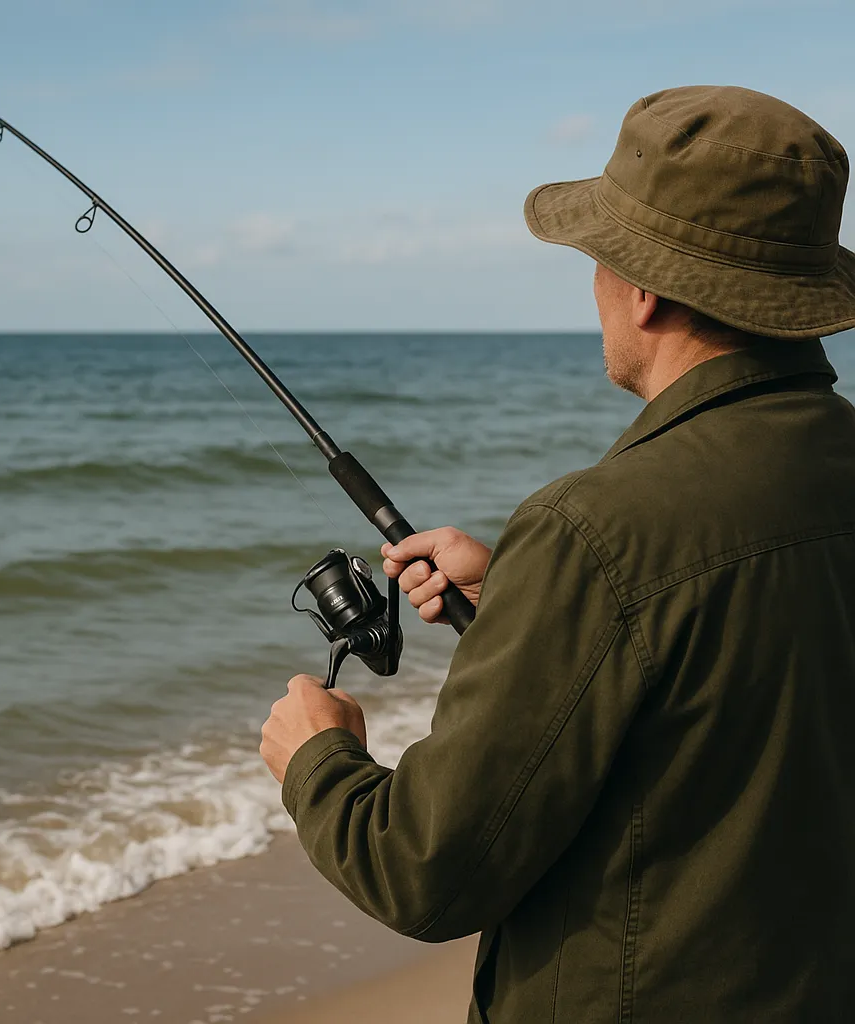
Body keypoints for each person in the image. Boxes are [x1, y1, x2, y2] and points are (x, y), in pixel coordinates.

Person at [260, 85, 855, 1022]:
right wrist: (518, 598)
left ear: (645, 287)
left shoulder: (595, 528)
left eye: (596, 259)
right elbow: (748, 680)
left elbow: (424, 872)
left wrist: (317, 758)